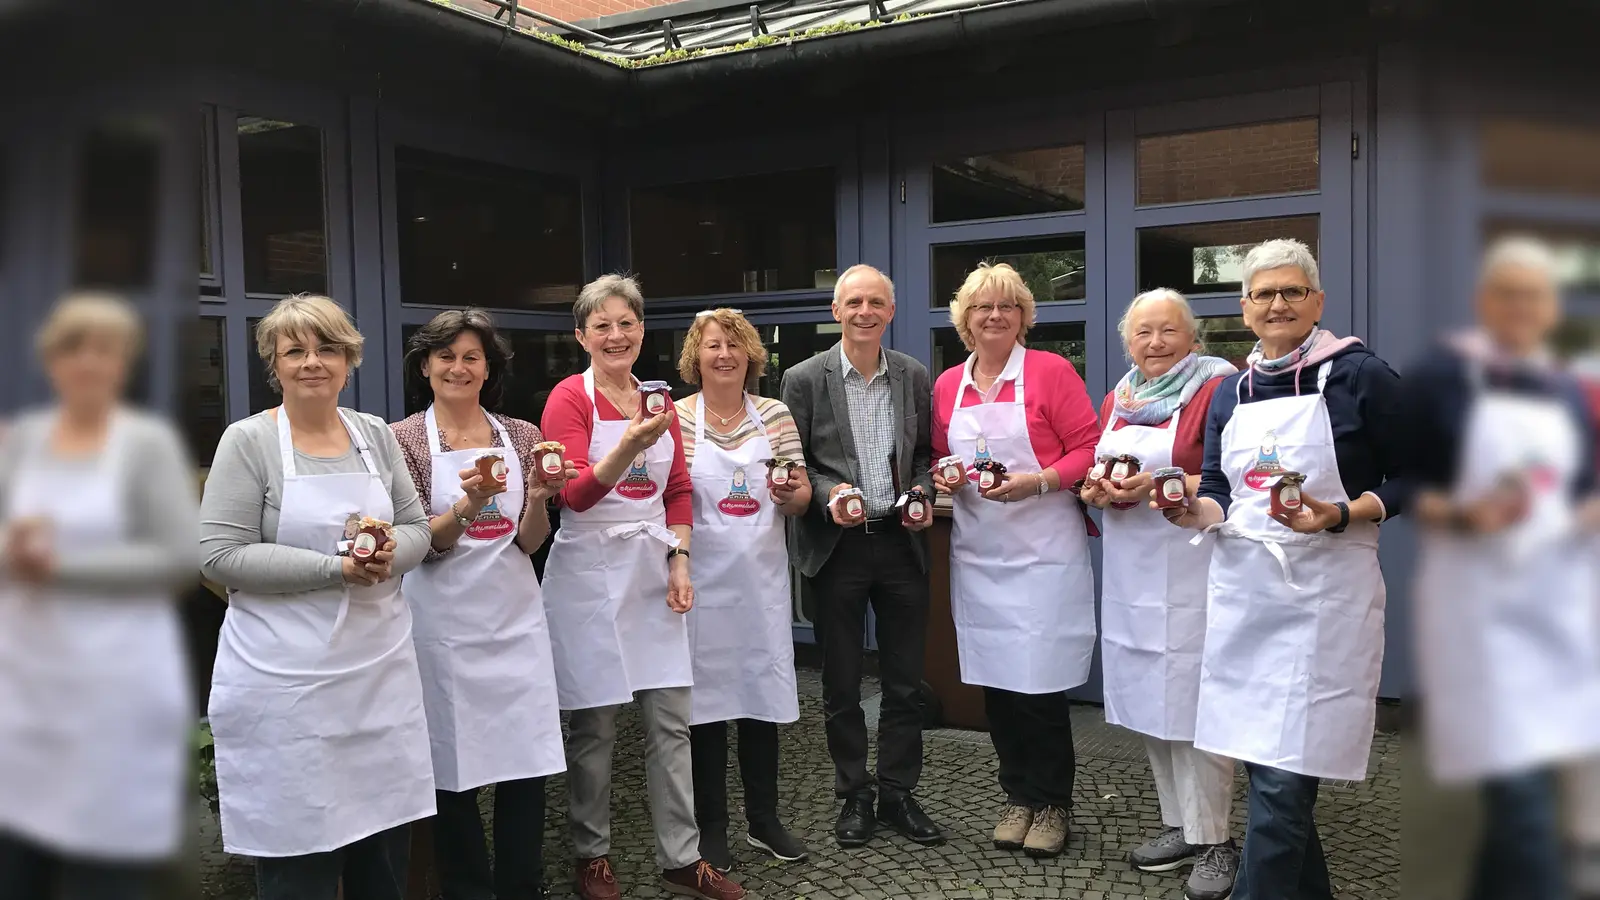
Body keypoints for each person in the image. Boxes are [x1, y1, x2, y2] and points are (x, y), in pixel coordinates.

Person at [1161, 239, 1405, 900]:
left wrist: (1343, 513)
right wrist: (1191, 511)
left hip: (1326, 600)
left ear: (1316, 301)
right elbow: (1218, 490)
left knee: (1284, 775)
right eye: (1264, 294)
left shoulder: (1358, 375)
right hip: (1247, 598)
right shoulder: (1230, 392)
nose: (1278, 304)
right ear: (1245, 309)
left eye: (1291, 292)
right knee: (1268, 768)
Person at [200, 294, 435, 900]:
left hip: (375, 675)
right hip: (286, 683)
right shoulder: (247, 441)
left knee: (380, 853)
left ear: (349, 360)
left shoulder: (375, 436)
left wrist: (386, 557)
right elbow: (221, 556)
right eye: (295, 350)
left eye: (328, 348)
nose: (313, 362)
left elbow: (415, 528)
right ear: (273, 364)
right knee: (298, 860)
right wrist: (335, 568)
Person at [1404, 236, 1600, 900]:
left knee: (1526, 788)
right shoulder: (1440, 375)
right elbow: (1403, 483)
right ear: (1484, 301)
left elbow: (1580, 488)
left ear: (1551, 309)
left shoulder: (1564, 387)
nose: (1521, 307)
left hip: (1552, 607)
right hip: (1476, 613)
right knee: (1522, 800)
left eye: (1535, 295)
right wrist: (1463, 515)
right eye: (1508, 293)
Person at [539, 275, 744, 900]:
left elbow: (677, 489)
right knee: (596, 725)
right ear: (581, 335)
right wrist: (628, 442)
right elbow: (572, 495)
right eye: (601, 325)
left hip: (654, 568)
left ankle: (682, 857)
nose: (615, 335)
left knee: (670, 722)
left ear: (641, 331)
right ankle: (591, 854)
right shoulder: (569, 399)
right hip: (589, 572)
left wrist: (680, 559)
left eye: (626, 323)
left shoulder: (659, 401)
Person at [0, 294, 196, 900]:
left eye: (103, 349)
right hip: (25, 690)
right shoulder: (24, 440)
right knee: (19, 864)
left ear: (123, 363)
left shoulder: (146, 443)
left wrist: (57, 566)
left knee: (103, 874)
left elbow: (178, 554)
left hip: (116, 693)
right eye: (72, 348)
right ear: (50, 360)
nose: (86, 362)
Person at [392, 309, 578, 900]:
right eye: (446, 356)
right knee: (451, 769)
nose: (458, 367)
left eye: (472, 357)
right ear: (425, 365)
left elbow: (528, 543)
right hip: (438, 623)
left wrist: (541, 499)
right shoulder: (401, 441)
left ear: (488, 368)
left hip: (514, 618)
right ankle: (468, 888)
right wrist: (471, 502)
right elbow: (423, 545)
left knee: (525, 764)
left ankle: (522, 885)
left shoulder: (521, 436)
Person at [929, 263, 1100, 859]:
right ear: (965, 320)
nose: (994, 316)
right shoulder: (950, 384)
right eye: (982, 307)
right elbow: (937, 457)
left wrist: (1041, 481)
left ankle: (1053, 803)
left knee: (1039, 685)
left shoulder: (1051, 372)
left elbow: (1090, 447)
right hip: (981, 554)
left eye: (1007, 306)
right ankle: (1017, 796)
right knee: (998, 686)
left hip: (1043, 550)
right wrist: (944, 474)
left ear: (1024, 316)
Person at [1081, 288, 1239, 899]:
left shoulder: (1218, 388)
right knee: (1152, 698)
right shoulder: (1119, 398)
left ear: (1192, 336)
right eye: (1143, 332)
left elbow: (1234, 473)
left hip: (1193, 571)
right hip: (1132, 574)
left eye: (1168, 331)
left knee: (1197, 702)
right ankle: (1180, 824)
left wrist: (1165, 481)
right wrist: (1095, 491)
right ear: (1128, 342)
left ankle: (1217, 839)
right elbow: (1100, 470)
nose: (1155, 343)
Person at [780, 263, 941, 849]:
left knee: (904, 682)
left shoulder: (913, 375)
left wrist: (921, 491)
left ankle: (898, 792)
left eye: (876, 302)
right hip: (837, 548)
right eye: (854, 302)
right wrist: (828, 495)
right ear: (836, 311)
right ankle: (855, 793)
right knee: (842, 683)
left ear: (890, 312)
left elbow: (925, 454)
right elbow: (793, 464)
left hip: (900, 543)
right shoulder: (802, 380)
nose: (865, 311)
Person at [675, 308, 811, 871]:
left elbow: (801, 494)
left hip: (760, 587)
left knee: (760, 700)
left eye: (734, 345)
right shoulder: (676, 419)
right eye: (712, 346)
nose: (724, 354)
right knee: (703, 711)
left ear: (751, 355)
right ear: (695, 358)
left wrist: (792, 496)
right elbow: (672, 496)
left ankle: (764, 819)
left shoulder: (775, 415)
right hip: (698, 589)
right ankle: (711, 826)